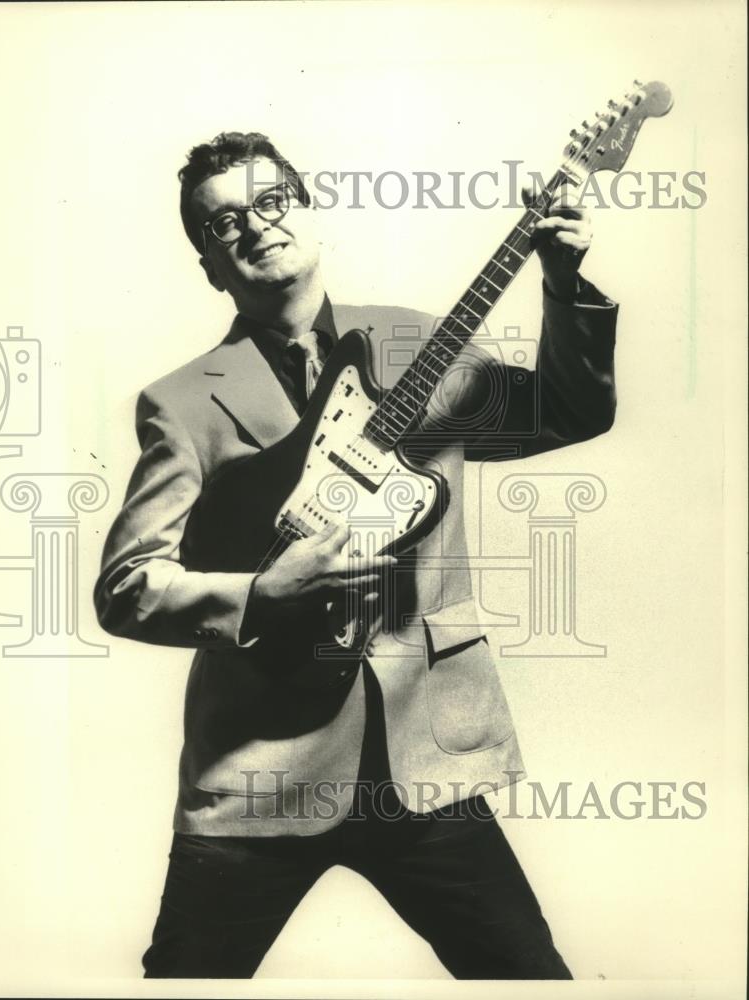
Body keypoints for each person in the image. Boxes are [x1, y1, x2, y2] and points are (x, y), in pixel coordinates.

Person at [94, 130, 617, 979]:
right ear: (209, 264)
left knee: (531, 981)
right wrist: (261, 593)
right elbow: (126, 588)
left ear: (305, 212)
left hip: (425, 758)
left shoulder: (420, 344)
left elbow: (564, 412)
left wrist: (562, 280)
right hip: (261, 778)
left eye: (271, 203)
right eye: (225, 224)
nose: (256, 226)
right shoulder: (182, 403)